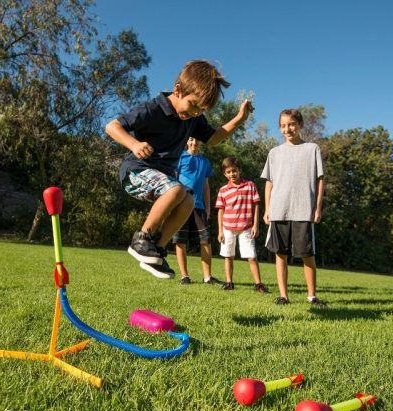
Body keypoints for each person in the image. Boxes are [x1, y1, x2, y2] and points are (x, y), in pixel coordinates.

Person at [105, 60, 253, 279]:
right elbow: (112, 126)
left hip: (161, 179)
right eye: (193, 105)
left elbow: (214, 139)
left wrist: (240, 119)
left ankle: (157, 248)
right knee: (175, 190)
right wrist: (134, 145)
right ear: (178, 90)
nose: (195, 113)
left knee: (188, 200)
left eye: (201, 110)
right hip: (135, 173)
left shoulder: (193, 119)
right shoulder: (153, 108)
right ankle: (141, 240)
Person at [261, 109, 326, 306]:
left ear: (300, 125)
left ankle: (312, 296)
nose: (287, 129)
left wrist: (317, 208)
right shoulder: (274, 153)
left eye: (291, 124)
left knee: (307, 255)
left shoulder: (312, 149)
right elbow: (269, 183)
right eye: (283, 125)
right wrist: (267, 209)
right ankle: (283, 296)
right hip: (279, 209)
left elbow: (320, 180)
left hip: (303, 210)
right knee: (280, 254)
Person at [172, 137, 223, 285]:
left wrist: (207, 207)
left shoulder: (205, 161)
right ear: (187, 141)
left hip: (199, 207)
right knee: (180, 241)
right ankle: (184, 276)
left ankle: (207, 277)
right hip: (181, 205)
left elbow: (206, 186)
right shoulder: (180, 157)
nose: (194, 143)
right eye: (191, 139)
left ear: (201, 142)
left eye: (197, 140)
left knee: (205, 241)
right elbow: (173, 180)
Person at [215, 157, 269, 293]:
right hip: (228, 228)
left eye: (234, 171)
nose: (232, 174)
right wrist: (220, 231)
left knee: (251, 256)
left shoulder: (250, 185)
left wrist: (255, 225)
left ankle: (258, 284)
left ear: (239, 170)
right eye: (228, 172)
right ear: (224, 174)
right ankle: (229, 282)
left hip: (246, 228)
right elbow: (220, 211)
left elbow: (256, 205)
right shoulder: (223, 190)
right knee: (228, 256)